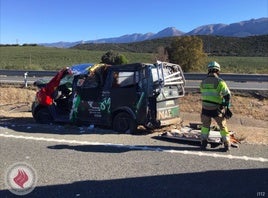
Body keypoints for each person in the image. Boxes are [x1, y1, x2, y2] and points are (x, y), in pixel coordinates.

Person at [200, 61, 231, 151]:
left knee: (205, 126)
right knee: (222, 126)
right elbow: (227, 96)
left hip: (205, 108)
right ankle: (226, 144)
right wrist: (226, 107)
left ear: (208, 70)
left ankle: (203, 143)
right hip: (216, 109)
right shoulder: (220, 82)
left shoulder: (203, 82)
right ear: (218, 71)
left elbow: (204, 94)